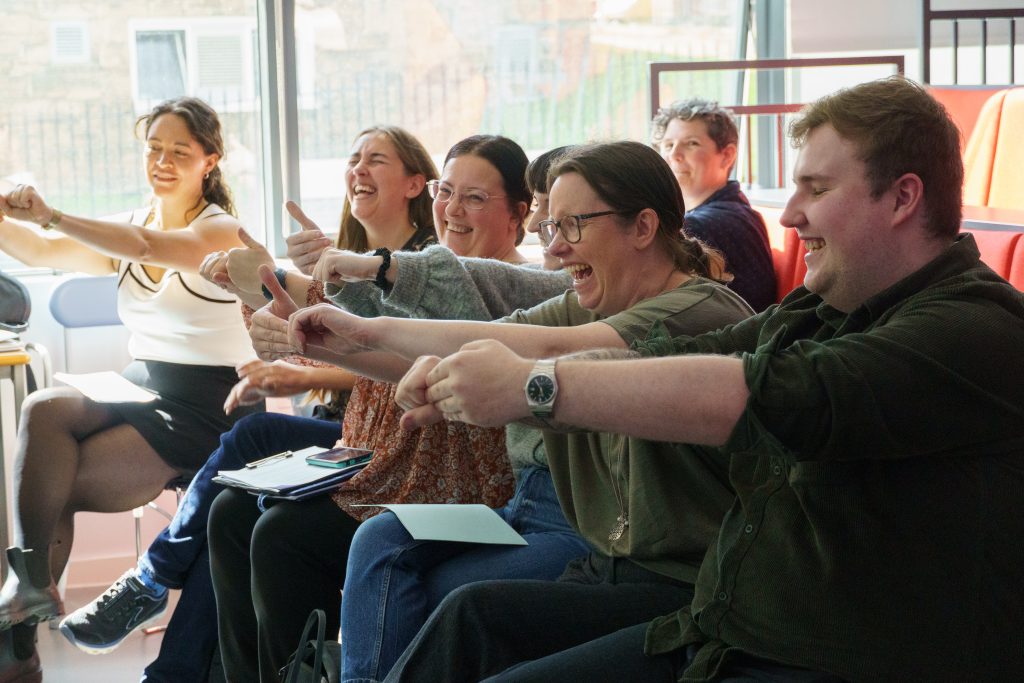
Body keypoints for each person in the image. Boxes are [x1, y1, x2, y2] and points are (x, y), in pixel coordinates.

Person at [387, 77, 1024, 682]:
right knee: (472, 624)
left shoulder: (973, 328)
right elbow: (669, 358)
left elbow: (770, 393)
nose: (792, 213)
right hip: (732, 630)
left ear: (904, 197)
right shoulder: (822, 309)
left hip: (836, 657)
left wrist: (534, 387)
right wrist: (461, 375)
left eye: (816, 189)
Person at [270, 140, 753, 683]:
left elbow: (549, 352)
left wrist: (367, 330)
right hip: (607, 560)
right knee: (436, 587)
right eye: (551, 228)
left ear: (643, 228)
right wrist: (344, 339)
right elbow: (494, 337)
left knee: (466, 608)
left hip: (683, 582)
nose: (558, 248)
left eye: (572, 226)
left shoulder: (696, 308)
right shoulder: (594, 296)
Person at [54, 125, 440, 682]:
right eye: (352, 157)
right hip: (342, 424)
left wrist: (288, 354)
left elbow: (391, 363)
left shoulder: (426, 265)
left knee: (251, 440)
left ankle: (155, 590)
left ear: (414, 184)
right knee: (232, 508)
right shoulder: (342, 255)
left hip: (388, 439)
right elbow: (314, 347)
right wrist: (259, 288)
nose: (357, 168)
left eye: (374, 160)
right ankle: (179, 662)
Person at [207, 134, 556, 683]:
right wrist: (271, 299)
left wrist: (309, 330)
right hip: (385, 467)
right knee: (230, 511)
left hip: (457, 484)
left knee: (281, 536)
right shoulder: (415, 270)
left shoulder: (530, 290)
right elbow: (363, 330)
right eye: (448, 193)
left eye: (475, 199)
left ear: (520, 213)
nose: (453, 210)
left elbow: (404, 336)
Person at [0, 97, 259, 679]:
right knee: (43, 410)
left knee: (51, 485)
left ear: (209, 161)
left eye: (179, 152)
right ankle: (26, 590)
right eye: (154, 149)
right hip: (143, 383)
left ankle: (17, 648)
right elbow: (41, 250)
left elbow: (146, 251)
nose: (162, 161)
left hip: (211, 403)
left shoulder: (217, 226)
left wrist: (51, 214)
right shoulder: (134, 220)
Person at [332, 146, 591, 683]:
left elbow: (479, 315)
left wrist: (376, 274)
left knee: (446, 590)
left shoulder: (590, 295)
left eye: (571, 223)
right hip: (523, 503)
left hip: (573, 520)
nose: (556, 239)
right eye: (445, 192)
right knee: (373, 536)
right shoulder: (566, 291)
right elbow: (478, 331)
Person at [653, 98, 776, 311]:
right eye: (668, 145)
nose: (674, 155)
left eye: (691, 143)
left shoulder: (711, 224)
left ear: (727, 156)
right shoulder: (734, 209)